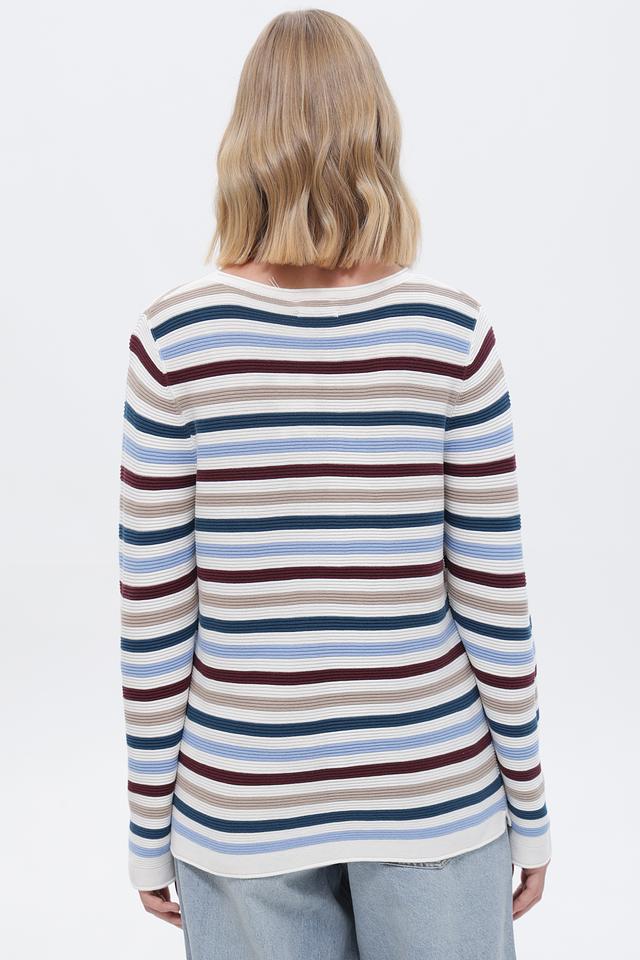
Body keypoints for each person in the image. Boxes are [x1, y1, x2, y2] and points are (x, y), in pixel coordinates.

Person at [118, 9, 551, 959]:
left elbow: (156, 615)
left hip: (240, 804)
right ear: (378, 134)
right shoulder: (451, 333)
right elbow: (493, 596)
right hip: (433, 795)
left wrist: (150, 827)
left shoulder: (175, 340)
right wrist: (528, 802)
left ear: (245, 140)